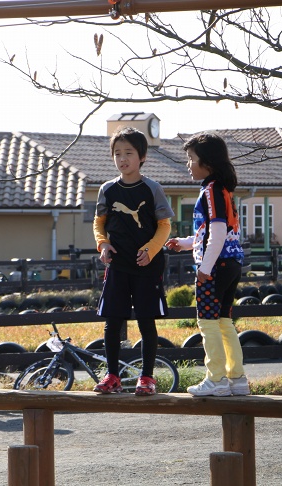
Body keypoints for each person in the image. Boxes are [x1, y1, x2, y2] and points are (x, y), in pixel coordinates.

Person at [92, 127, 174, 396]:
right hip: (117, 265)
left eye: (128, 153)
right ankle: (112, 376)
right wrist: (102, 244)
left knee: (146, 322)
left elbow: (164, 226)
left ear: (142, 157)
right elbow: (99, 223)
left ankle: (147, 378)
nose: (122, 158)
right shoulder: (107, 189)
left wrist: (150, 249)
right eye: (117, 153)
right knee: (112, 321)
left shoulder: (153, 189)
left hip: (146, 265)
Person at [166, 133, 249, 397]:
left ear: (208, 163)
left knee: (207, 323)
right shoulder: (223, 189)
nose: (188, 164)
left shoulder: (210, 190)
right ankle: (237, 379)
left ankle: (215, 379)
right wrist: (185, 242)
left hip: (216, 267)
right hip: (231, 263)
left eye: (191, 159)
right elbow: (210, 233)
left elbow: (218, 232)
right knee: (224, 322)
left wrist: (205, 268)